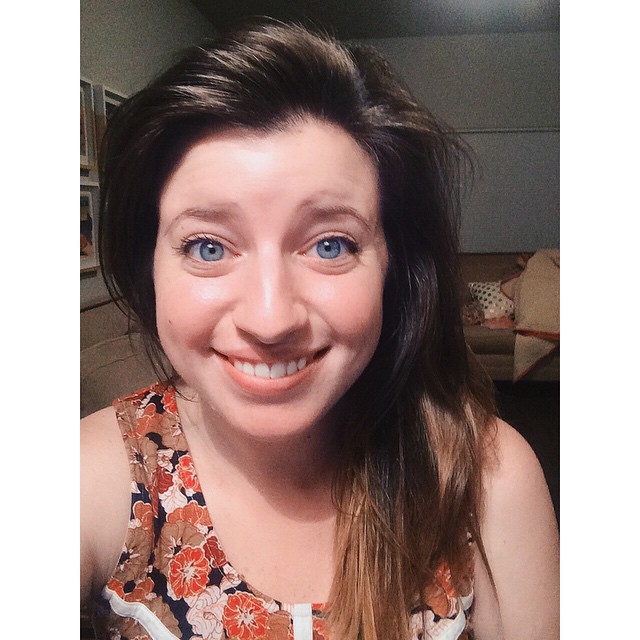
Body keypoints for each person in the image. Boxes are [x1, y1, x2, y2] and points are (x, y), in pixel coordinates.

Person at [81, 22, 559, 640]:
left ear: (394, 268)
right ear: (149, 264)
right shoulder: (87, 480)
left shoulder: (489, 481)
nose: (270, 319)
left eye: (330, 244)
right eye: (207, 247)